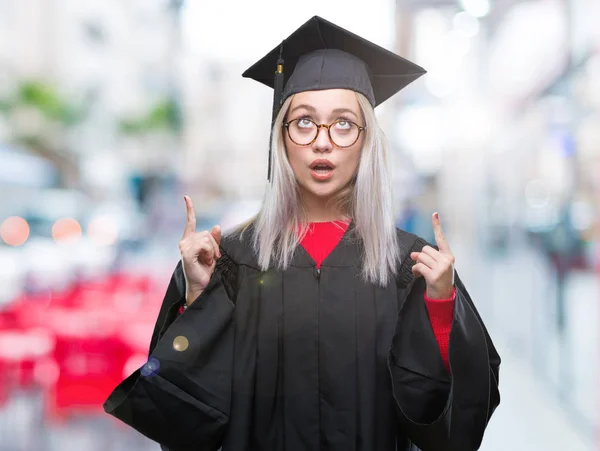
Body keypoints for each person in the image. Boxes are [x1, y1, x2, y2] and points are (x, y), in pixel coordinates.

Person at [104, 16, 500, 451]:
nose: (323, 142)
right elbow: (186, 418)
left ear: (368, 142)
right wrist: (198, 300)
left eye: (344, 124)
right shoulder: (231, 260)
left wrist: (441, 305)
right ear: (282, 138)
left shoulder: (408, 264)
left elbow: (451, 425)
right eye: (304, 122)